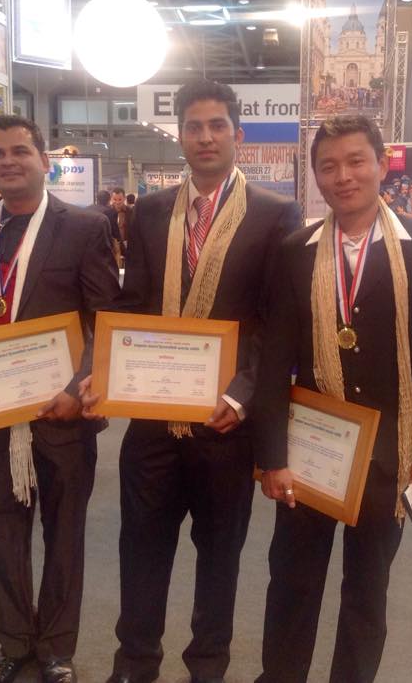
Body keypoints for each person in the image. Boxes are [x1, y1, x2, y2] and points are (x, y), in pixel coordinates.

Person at [99, 79, 301, 683]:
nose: (205, 137)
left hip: (225, 423)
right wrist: (110, 370)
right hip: (152, 420)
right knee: (140, 549)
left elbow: (276, 322)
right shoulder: (151, 210)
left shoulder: (274, 214)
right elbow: (133, 303)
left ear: (238, 134)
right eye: (193, 127)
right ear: (180, 136)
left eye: (217, 126)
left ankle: (207, 666)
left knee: (219, 559)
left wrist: (243, 395)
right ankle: (135, 662)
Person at [253, 115, 412, 683]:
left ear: (381, 165)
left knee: (367, 592)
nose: (343, 176)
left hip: (389, 456)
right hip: (311, 453)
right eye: (329, 166)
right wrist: (271, 457)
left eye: (355, 162)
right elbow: (273, 362)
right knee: (291, 584)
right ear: (316, 176)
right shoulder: (295, 251)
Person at [0, 115, 120, 683]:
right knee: (5, 532)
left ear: (45, 161)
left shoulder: (83, 227)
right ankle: (14, 643)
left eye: (20, 151)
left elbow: (105, 319)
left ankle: (56, 650)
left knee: (64, 533)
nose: (8, 161)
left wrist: (78, 388)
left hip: (61, 413)